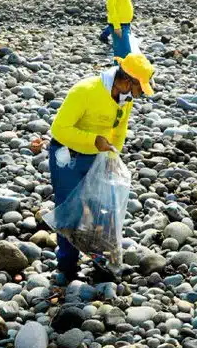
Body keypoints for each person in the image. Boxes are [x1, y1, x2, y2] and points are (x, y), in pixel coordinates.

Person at [48, 53, 156, 282]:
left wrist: (111, 157)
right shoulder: (85, 91)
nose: (137, 96)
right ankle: (67, 266)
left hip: (98, 155)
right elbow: (59, 129)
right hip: (68, 156)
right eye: (138, 90)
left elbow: (119, 130)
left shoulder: (124, 99)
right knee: (70, 210)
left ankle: (105, 262)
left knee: (105, 207)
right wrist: (93, 140)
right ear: (127, 81)